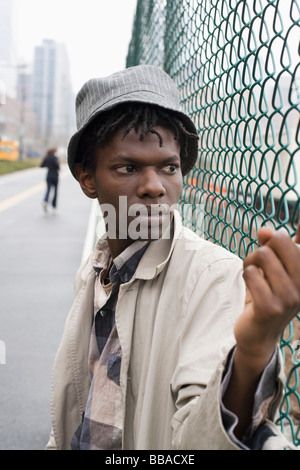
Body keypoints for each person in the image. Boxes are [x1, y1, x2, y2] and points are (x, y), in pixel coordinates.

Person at [46, 65, 300, 450]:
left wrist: (250, 354)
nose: (154, 187)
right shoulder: (95, 271)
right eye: (127, 167)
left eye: (169, 167)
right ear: (87, 178)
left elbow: (198, 440)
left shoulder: (212, 276)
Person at [40, 148, 60, 213]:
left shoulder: (47, 157)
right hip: (55, 176)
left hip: (49, 176)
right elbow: (57, 166)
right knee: (55, 191)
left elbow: (42, 165)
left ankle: (45, 201)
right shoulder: (55, 158)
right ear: (54, 152)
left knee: (48, 189)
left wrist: (48, 164)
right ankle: (54, 205)